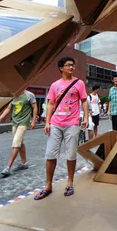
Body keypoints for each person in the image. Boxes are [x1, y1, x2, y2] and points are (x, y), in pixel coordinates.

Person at [34, 57, 88, 200]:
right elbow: (51, 103)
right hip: (56, 123)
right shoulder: (54, 85)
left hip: (72, 123)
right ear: (61, 68)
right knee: (50, 154)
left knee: (71, 154)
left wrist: (87, 117)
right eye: (68, 65)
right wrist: (47, 122)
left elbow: (83, 100)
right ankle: (48, 185)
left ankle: (70, 182)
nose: (72, 67)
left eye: (73, 65)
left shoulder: (79, 83)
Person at [0, 89, 38, 177]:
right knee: (20, 143)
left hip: (24, 122)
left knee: (16, 142)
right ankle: (24, 163)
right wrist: (0, 118)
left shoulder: (29, 95)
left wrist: (33, 121)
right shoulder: (13, 95)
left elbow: (35, 108)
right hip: (15, 122)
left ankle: (8, 167)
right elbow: (8, 108)